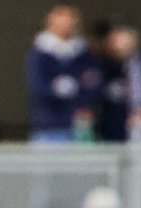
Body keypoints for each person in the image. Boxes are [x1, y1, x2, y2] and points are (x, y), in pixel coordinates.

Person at [24, 4, 104, 142]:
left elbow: (93, 84)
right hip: (48, 125)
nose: (65, 28)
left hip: (79, 126)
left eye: (70, 24)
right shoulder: (39, 55)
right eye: (61, 24)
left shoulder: (86, 55)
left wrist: (78, 94)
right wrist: (57, 91)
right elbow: (38, 86)